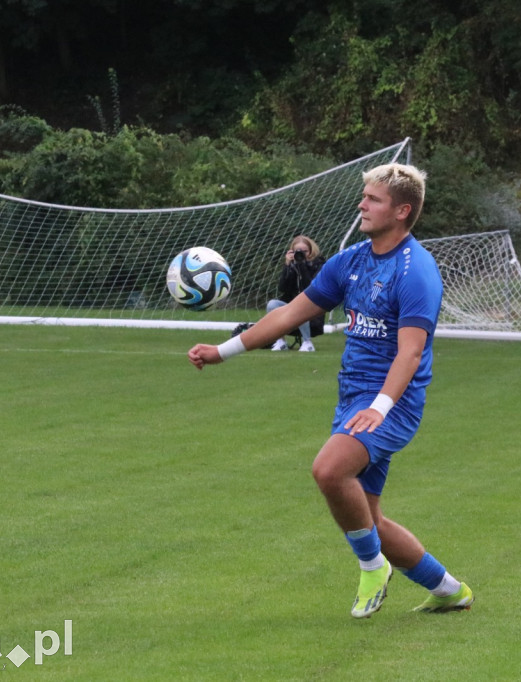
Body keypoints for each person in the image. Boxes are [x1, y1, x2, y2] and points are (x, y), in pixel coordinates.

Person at [188, 162, 473, 619]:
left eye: (373, 198)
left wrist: (380, 407)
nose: (362, 203)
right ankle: (449, 589)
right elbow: (289, 314)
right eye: (364, 195)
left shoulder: (416, 271)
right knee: (370, 519)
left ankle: (371, 567)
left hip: (391, 404)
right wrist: (224, 351)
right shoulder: (351, 260)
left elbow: (410, 354)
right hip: (353, 398)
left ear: (401, 211)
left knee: (328, 470)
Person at [266, 235, 325, 352]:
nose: (301, 254)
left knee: (301, 306)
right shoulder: (292, 265)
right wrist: (287, 265)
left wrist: (302, 265)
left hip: (312, 312)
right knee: (272, 304)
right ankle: (280, 341)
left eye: (305, 251)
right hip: (292, 310)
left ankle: (307, 343)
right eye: (298, 251)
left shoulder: (319, 265)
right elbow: (282, 288)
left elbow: (311, 287)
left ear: (311, 250)